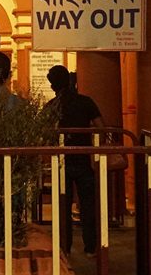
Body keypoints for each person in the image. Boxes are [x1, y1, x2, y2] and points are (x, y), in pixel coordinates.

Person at [46, 65, 102, 256]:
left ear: (52, 85)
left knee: (63, 206)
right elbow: (101, 127)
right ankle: (91, 247)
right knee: (88, 205)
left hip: (61, 162)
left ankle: (65, 247)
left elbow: (41, 132)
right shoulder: (86, 102)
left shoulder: (52, 106)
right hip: (84, 160)